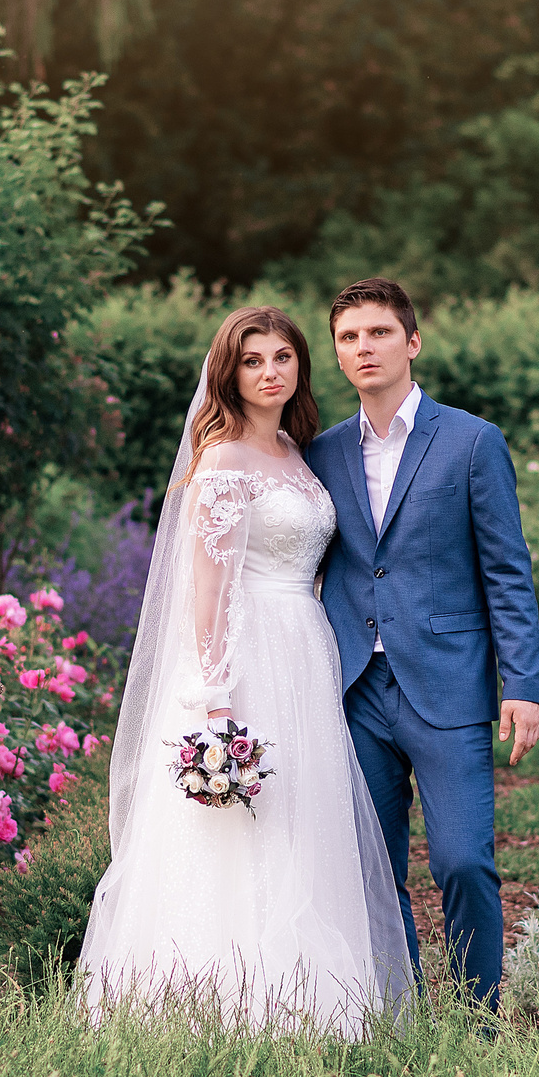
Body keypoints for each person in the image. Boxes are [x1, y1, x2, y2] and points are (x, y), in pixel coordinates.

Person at [79, 305, 416, 1035]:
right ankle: (226, 1004)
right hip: (247, 652)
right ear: (229, 373)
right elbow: (208, 589)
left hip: (308, 646)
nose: (270, 371)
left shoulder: (300, 453)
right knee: (243, 832)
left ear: (299, 365)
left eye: (282, 357)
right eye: (253, 360)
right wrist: (213, 700)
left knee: (304, 818)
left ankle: (316, 999)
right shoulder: (226, 459)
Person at [305, 277, 539, 1010]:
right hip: (354, 690)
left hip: (448, 683)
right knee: (374, 867)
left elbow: (506, 569)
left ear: (412, 342)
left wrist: (522, 685)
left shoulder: (471, 441)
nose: (363, 347)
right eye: (349, 337)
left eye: (378, 332)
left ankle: (479, 1015)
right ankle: (403, 1011)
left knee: (464, 859)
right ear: (339, 354)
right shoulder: (320, 453)